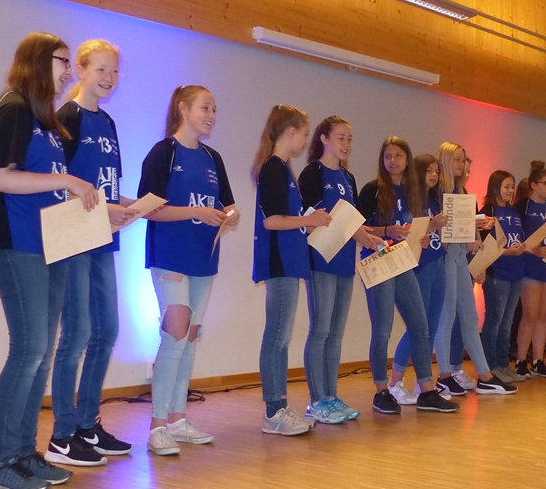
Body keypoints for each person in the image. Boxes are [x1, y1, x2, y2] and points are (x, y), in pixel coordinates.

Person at [0, 32, 99, 489]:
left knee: (41, 352)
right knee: (28, 350)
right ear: (40, 61)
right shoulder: (13, 107)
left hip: (48, 243)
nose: (67, 71)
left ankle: (24, 453)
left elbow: (46, 186)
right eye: (63, 61)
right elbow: (1, 178)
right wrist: (67, 179)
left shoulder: (45, 120)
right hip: (14, 243)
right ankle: (1, 462)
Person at [49, 39, 137, 466]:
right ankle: (62, 434)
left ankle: (87, 424)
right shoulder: (67, 117)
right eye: (101, 69)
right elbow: (58, 182)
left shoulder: (109, 122)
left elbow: (106, 186)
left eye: (114, 71)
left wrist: (130, 207)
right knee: (77, 334)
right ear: (81, 70)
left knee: (107, 331)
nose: (108, 77)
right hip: (74, 239)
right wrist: (104, 208)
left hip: (102, 237)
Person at [137, 85, 238, 455]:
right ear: (183, 109)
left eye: (214, 109)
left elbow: (227, 205)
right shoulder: (164, 152)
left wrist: (230, 214)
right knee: (175, 331)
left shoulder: (213, 158)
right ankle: (157, 425)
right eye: (204, 107)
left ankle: (178, 419)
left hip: (203, 258)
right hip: (170, 255)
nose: (211, 115)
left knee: (191, 335)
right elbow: (149, 208)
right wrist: (195, 212)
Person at [356, 137, 460, 414]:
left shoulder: (414, 192)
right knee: (383, 329)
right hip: (378, 261)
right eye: (387, 156)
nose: (393, 161)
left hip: (403, 261)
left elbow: (415, 229)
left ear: (407, 159)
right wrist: (386, 230)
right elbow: (358, 228)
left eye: (398, 155)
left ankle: (427, 391)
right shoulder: (373, 189)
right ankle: (382, 391)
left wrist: (423, 237)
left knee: (420, 326)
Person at [252, 105, 332, 434]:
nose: (305, 140)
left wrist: (311, 223)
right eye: (304, 133)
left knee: (282, 337)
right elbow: (272, 221)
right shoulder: (273, 168)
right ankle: (274, 410)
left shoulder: (283, 169)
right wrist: (308, 219)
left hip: (289, 261)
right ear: (290, 132)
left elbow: (287, 219)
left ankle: (280, 405)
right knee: (277, 336)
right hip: (279, 262)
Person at [297, 116, 379, 423]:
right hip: (321, 259)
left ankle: (331, 396)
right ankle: (317, 400)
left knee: (336, 333)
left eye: (349, 138)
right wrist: (356, 231)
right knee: (320, 330)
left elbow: (352, 220)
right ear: (324, 139)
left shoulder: (348, 177)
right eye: (340, 137)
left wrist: (368, 236)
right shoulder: (312, 173)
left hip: (345, 261)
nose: (346, 144)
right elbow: (317, 218)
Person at [431, 142, 516, 397]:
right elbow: (436, 226)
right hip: (445, 257)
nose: (461, 165)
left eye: (463, 160)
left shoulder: (461, 191)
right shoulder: (437, 192)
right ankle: (444, 375)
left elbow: (464, 228)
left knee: (469, 317)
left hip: (460, 256)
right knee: (447, 316)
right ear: (446, 161)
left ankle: (485, 375)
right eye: (457, 160)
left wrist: (476, 229)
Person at [387, 154, 451, 404]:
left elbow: (439, 233)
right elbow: (410, 233)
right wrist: (431, 226)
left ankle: (423, 383)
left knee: (431, 326)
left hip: (438, 261)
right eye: (429, 171)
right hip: (419, 265)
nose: (434, 175)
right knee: (417, 327)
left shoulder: (433, 200)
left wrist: (444, 234)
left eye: (437, 171)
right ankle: (395, 382)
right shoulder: (410, 199)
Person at [478, 171, 528, 383]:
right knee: (494, 320)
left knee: (507, 322)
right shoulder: (487, 212)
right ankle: (490, 367)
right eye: (506, 186)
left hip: (516, 272)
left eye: (512, 186)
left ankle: (503, 364)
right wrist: (509, 252)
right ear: (495, 187)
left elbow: (519, 238)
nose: (510, 190)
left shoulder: (515, 212)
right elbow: (484, 247)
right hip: (497, 274)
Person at [514, 160, 546, 379]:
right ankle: (521, 360)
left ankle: (538, 360)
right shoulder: (523, 206)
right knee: (530, 315)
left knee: (542, 316)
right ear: (534, 185)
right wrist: (535, 250)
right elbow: (517, 237)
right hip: (530, 266)